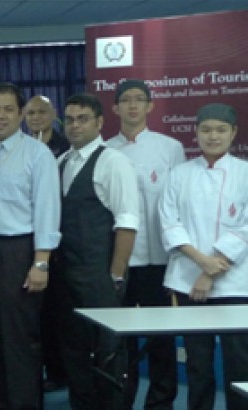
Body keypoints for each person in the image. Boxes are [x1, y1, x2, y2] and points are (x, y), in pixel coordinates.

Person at [0, 82, 61, 409]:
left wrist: (41, 262)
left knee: (19, 339)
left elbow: (47, 209)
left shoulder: (38, 154)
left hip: (19, 251)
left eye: (8, 109)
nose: (0, 115)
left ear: (21, 114)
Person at [159, 103, 248, 410]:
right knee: (198, 363)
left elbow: (245, 228)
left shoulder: (245, 172)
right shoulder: (178, 174)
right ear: (195, 132)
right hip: (187, 282)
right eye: (206, 130)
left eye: (221, 130)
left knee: (240, 364)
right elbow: (169, 222)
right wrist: (201, 262)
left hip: (236, 283)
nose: (213, 136)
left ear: (233, 133)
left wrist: (210, 271)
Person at [55, 93, 139, 410]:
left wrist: (116, 275)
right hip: (65, 274)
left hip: (99, 274)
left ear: (100, 122)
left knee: (109, 352)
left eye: (83, 119)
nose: (75, 126)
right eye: (70, 119)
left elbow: (127, 223)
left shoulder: (113, 162)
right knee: (74, 350)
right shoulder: (59, 162)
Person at [105, 79, 185, 409]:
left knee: (161, 339)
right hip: (120, 260)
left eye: (140, 99)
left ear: (150, 106)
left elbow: (180, 202)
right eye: (126, 100)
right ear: (115, 108)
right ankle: (121, 399)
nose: (133, 105)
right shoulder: (105, 150)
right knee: (120, 339)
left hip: (160, 261)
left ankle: (161, 401)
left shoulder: (170, 148)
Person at [23, 94, 71, 393]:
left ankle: (59, 370)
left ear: (53, 113)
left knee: (56, 313)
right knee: (31, 315)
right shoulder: (20, 149)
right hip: (24, 242)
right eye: (31, 113)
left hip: (59, 243)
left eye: (42, 112)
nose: (36, 117)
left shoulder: (67, 148)